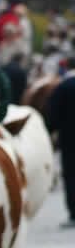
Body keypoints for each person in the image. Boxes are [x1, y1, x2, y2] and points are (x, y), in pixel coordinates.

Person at [45, 66, 75, 228]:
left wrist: (49, 131)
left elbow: (53, 115)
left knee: (71, 176)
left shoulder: (63, 86)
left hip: (69, 139)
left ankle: (74, 213)